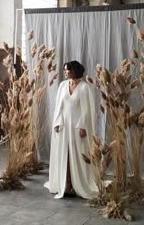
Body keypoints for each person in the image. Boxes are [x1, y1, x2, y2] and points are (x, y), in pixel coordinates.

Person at [44, 60, 98, 199]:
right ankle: (65, 184)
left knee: (77, 155)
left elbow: (87, 110)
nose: (65, 72)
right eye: (64, 70)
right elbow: (59, 106)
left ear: (74, 71)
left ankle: (77, 184)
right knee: (64, 154)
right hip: (64, 125)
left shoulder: (84, 87)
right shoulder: (63, 85)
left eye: (67, 70)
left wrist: (82, 126)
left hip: (76, 126)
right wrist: (57, 122)